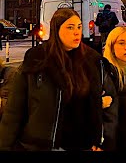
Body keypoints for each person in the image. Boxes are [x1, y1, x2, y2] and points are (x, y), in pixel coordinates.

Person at [0, 8, 118, 151]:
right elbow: (14, 110)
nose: (77, 32)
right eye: (70, 27)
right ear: (56, 29)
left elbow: (111, 105)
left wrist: (104, 142)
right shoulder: (37, 59)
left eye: (79, 27)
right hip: (41, 144)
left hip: (82, 144)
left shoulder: (92, 61)